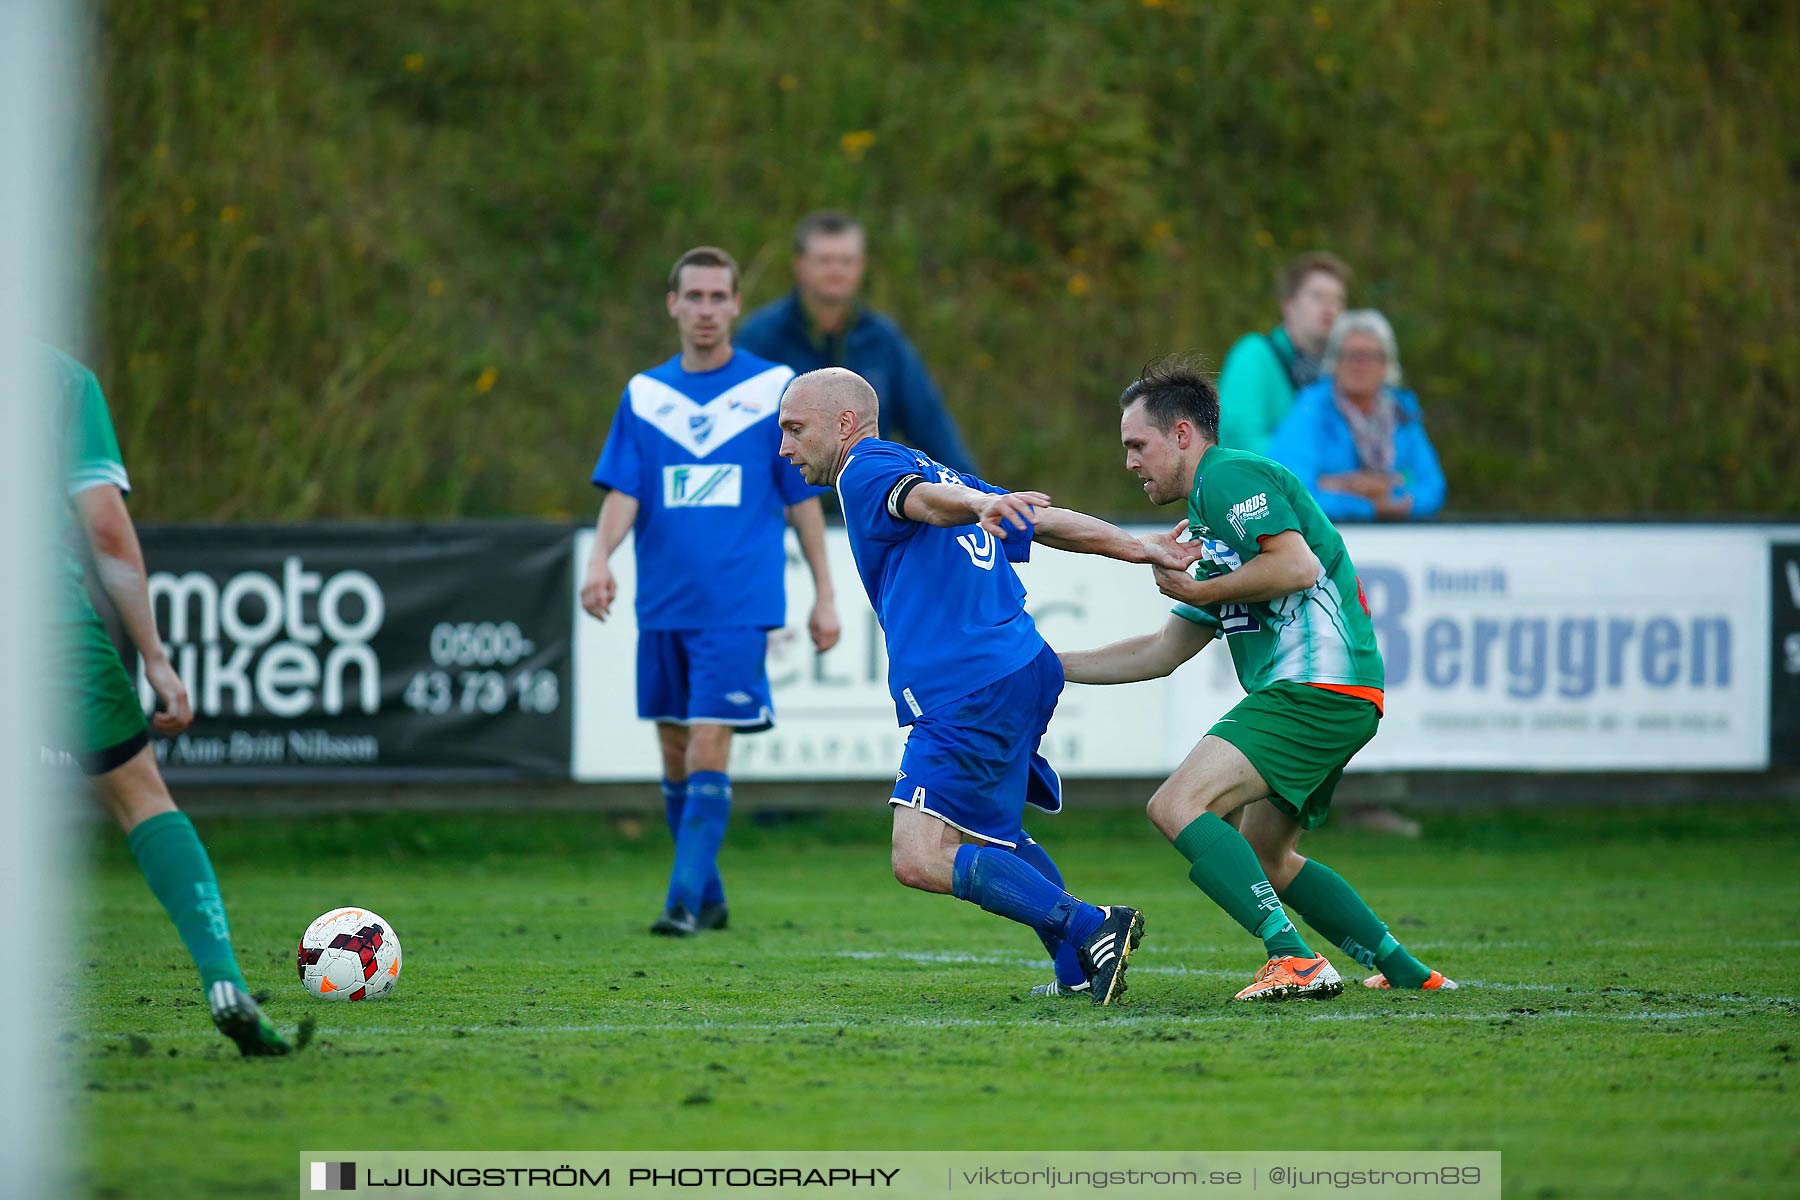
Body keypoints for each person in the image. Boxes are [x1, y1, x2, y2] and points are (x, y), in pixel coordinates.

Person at [776, 366, 1206, 1006]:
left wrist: (976, 506)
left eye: (794, 428)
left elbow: (922, 501)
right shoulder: (938, 470)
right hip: (1019, 665)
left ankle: (1092, 927)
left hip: (969, 682)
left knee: (918, 856)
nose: (784, 446)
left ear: (844, 423)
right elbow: (1048, 521)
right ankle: (1078, 969)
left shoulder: (864, 468)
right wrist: (1140, 549)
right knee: (990, 836)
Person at [1058, 358, 1456, 1000]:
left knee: (1176, 805)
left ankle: (1292, 959)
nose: (1131, 461)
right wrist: (1050, 666)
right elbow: (1162, 651)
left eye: (1139, 445)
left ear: (1183, 434)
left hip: (1313, 688)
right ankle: (1409, 973)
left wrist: (1206, 584)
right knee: (1269, 855)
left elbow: (1295, 565)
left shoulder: (1227, 476)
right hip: (1338, 695)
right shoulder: (1211, 525)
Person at [582, 247, 840, 937]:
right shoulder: (644, 395)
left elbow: (801, 500)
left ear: (735, 305)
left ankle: (682, 902)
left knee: (706, 743)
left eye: (717, 296)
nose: (704, 309)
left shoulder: (774, 390)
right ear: (673, 304)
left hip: (738, 603)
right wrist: (600, 560)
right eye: (692, 296)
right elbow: (624, 491)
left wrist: (825, 594)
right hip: (663, 604)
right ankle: (712, 893)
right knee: (673, 754)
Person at [45, 343, 294, 1056]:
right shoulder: (59, 378)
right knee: (142, 797)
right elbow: (106, 527)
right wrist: (153, 656)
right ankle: (224, 981)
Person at [736, 211, 977, 475]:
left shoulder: (883, 340)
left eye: (847, 261)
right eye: (825, 260)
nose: (836, 270)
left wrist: (974, 499)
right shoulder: (762, 337)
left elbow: (930, 426)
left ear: (861, 265)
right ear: (799, 265)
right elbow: (737, 430)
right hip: (785, 506)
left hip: (864, 502)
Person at [1265, 309, 1446, 522]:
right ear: (1335, 361)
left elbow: (1432, 487)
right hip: (1328, 541)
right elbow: (1286, 490)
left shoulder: (1402, 413)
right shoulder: (1310, 410)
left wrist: (1382, 490)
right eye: (1351, 355)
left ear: (1386, 364)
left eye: (1370, 356)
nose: (1360, 364)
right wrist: (1366, 504)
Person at [1216, 251, 1350, 455]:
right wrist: (1308, 475)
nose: (1329, 308)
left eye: (1337, 300)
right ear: (1289, 305)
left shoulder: (1342, 372)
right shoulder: (1254, 354)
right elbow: (1239, 437)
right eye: (1318, 296)